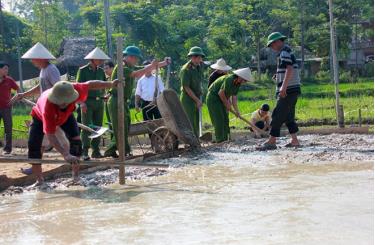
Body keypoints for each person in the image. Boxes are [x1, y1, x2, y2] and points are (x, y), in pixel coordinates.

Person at [28, 79, 119, 184]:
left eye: (65, 101)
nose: (63, 103)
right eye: (60, 102)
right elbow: (50, 135)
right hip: (39, 118)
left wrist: (111, 84)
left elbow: (89, 84)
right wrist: (65, 154)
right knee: (34, 147)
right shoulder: (47, 107)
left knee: (76, 142)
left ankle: (75, 177)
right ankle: (39, 181)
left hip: (66, 116)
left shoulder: (72, 89)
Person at [104, 45, 170, 157]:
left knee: (125, 126)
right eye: (136, 58)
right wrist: (152, 66)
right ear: (130, 57)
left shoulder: (129, 66)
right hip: (116, 100)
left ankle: (115, 150)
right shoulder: (122, 67)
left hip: (123, 101)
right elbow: (137, 74)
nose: (137, 61)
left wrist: (163, 63)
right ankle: (122, 151)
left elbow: (146, 68)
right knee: (119, 127)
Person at [257, 32, 301, 151]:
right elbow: (290, 69)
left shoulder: (284, 52)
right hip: (293, 88)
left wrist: (283, 87)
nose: (272, 48)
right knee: (288, 116)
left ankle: (272, 141)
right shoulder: (287, 51)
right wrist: (279, 77)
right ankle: (295, 140)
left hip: (288, 90)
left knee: (277, 115)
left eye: (271, 45)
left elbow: (290, 69)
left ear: (277, 42)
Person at [76, 47, 109, 160]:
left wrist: (106, 95)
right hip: (87, 102)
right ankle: (84, 151)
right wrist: (81, 103)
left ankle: (96, 151)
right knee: (86, 127)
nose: (101, 61)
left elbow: (105, 84)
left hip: (99, 102)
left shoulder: (100, 71)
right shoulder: (83, 70)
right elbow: (78, 88)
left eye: (101, 59)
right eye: (98, 59)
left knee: (98, 127)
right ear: (92, 59)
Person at [206, 68, 252, 143]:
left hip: (222, 99)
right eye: (245, 80)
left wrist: (237, 112)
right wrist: (227, 104)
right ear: (240, 77)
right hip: (213, 98)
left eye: (246, 81)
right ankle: (220, 140)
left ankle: (226, 139)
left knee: (225, 119)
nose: (245, 82)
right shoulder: (229, 79)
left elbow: (234, 98)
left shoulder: (237, 84)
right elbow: (221, 93)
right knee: (219, 119)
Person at [180, 46, 205, 137]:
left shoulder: (198, 67)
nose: (200, 59)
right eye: (199, 57)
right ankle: (190, 141)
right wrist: (197, 100)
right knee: (189, 120)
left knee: (196, 119)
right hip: (188, 98)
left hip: (196, 96)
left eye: (201, 57)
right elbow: (186, 88)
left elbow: (199, 81)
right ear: (193, 57)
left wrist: (200, 92)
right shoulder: (185, 69)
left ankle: (196, 139)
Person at [0, 62, 20, 155]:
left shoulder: (9, 80)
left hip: (6, 108)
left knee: (8, 129)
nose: (7, 71)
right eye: (5, 68)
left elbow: (19, 90)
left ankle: (7, 149)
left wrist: (14, 99)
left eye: (7, 69)